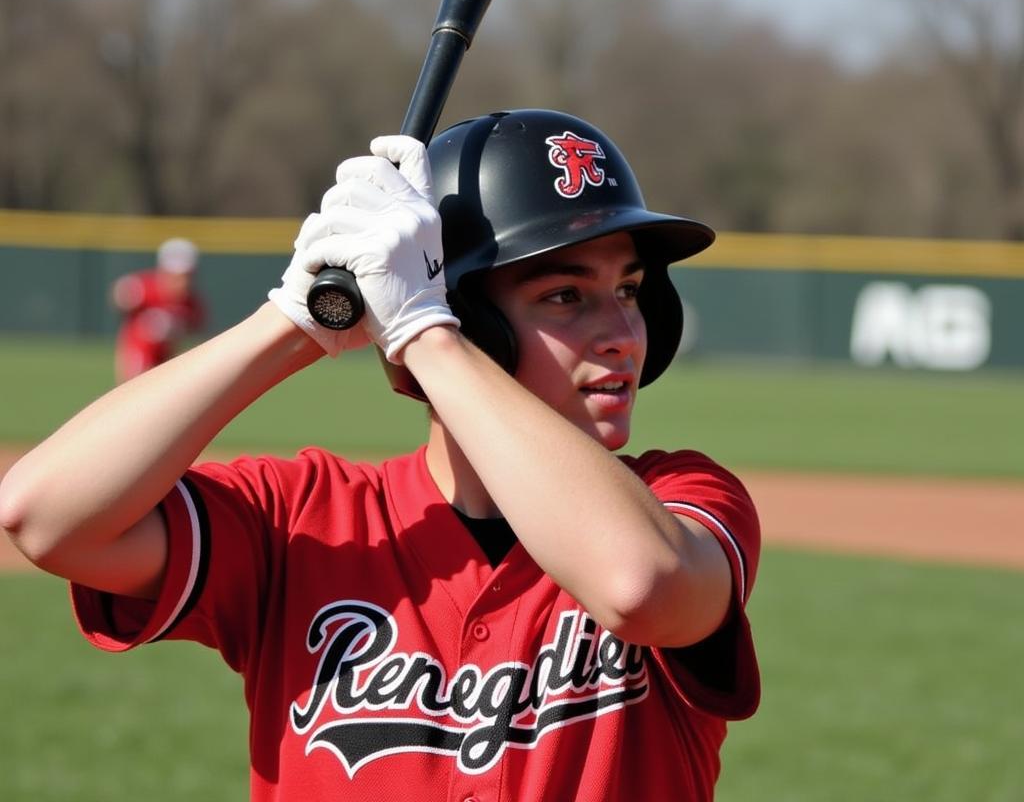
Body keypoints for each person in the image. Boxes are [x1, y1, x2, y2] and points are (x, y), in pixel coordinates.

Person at [0, 110, 760, 801]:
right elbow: (43, 516)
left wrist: (426, 332)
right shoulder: (300, 520)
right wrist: (293, 319)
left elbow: (636, 585)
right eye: (566, 295)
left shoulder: (680, 502)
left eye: (628, 290)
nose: (623, 332)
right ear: (472, 318)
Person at [110, 237, 206, 382]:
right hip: (138, 356)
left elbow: (196, 329)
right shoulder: (145, 288)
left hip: (166, 360)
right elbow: (119, 295)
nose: (181, 282)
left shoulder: (191, 302)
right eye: (176, 277)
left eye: (187, 277)